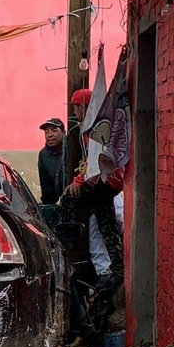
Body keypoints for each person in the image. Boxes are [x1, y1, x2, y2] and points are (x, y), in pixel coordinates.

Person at [61, 88, 125, 293]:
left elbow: (94, 163)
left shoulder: (94, 128)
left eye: (76, 108)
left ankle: (114, 269)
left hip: (107, 182)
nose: (74, 113)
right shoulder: (94, 125)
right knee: (100, 226)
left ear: (82, 107)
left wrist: (78, 182)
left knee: (104, 226)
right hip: (108, 182)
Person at [37, 118, 66, 205]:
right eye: (46, 132)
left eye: (54, 130)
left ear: (63, 132)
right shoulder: (44, 155)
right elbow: (47, 188)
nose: (49, 135)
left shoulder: (74, 147)